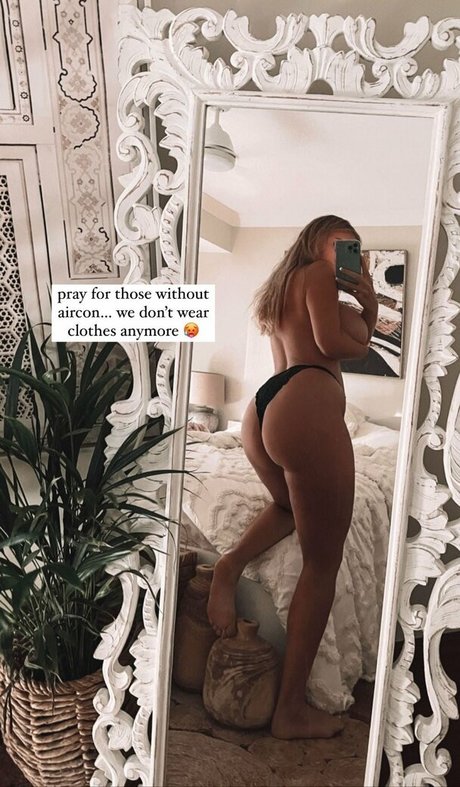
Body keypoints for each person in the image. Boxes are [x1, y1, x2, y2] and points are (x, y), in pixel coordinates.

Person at [207, 215, 378, 740]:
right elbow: (336, 343)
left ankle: (229, 566)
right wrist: (368, 319)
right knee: (322, 563)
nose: (349, 252)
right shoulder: (319, 276)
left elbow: (318, 338)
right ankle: (290, 710)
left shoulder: (284, 284)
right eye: (341, 243)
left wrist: (362, 304)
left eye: (355, 247)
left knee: (287, 505)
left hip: (265, 407)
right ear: (316, 240)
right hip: (307, 403)